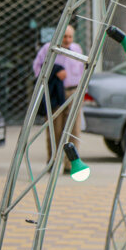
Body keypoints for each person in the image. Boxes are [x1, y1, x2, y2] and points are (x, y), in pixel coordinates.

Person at [32, 25, 85, 172]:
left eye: (70, 37)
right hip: (56, 94)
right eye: (64, 37)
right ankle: (53, 162)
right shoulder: (48, 49)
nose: (67, 40)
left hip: (73, 92)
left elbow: (82, 71)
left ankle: (71, 164)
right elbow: (37, 68)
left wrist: (83, 92)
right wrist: (54, 72)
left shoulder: (77, 49)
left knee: (73, 130)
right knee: (55, 129)